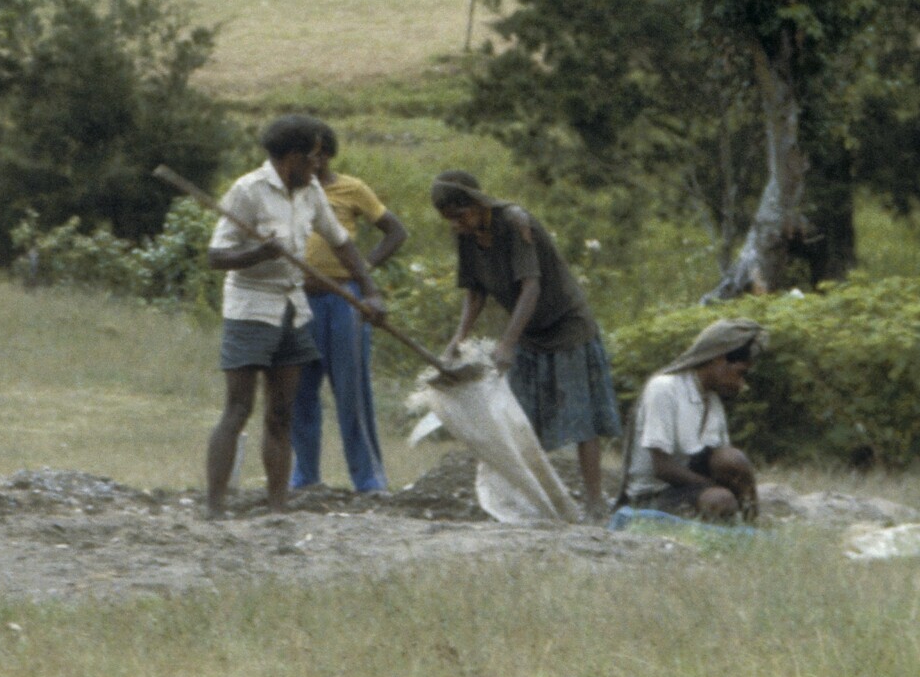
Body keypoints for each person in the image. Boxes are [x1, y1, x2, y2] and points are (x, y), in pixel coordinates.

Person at [205, 115, 384, 516]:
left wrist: (370, 291)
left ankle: (278, 506)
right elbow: (216, 256)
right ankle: (214, 507)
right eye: (314, 157)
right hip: (251, 308)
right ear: (292, 158)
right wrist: (259, 253)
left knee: (281, 412)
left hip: (293, 307)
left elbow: (342, 243)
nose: (319, 165)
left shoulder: (311, 191)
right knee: (238, 409)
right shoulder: (248, 191)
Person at [431, 170, 622, 515]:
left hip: (566, 325)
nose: (457, 225)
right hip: (529, 333)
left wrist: (507, 344)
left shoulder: (514, 223)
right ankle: (535, 501)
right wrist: (458, 338)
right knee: (519, 418)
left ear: (476, 204)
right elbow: (475, 292)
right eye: (450, 220)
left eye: (460, 215)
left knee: (582, 419)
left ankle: (595, 502)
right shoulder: (467, 235)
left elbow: (531, 287)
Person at [288, 119, 408, 494]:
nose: (315, 161)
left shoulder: (351, 189)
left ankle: (369, 479)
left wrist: (364, 269)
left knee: (351, 390)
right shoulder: (288, 191)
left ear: (328, 155)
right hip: (298, 298)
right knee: (300, 389)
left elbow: (395, 231)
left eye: (320, 154)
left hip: (345, 298)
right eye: (308, 154)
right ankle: (305, 476)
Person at [622, 318, 766, 520]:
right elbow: (661, 468)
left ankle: (752, 522)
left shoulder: (712, 400)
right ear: (719, 360)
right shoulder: (664, 388)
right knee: (721, 500)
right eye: (740, 373)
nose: (742, 384)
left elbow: (724, 459)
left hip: (690, 486)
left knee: (733, 460)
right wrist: (712, 487)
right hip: (654, 493)